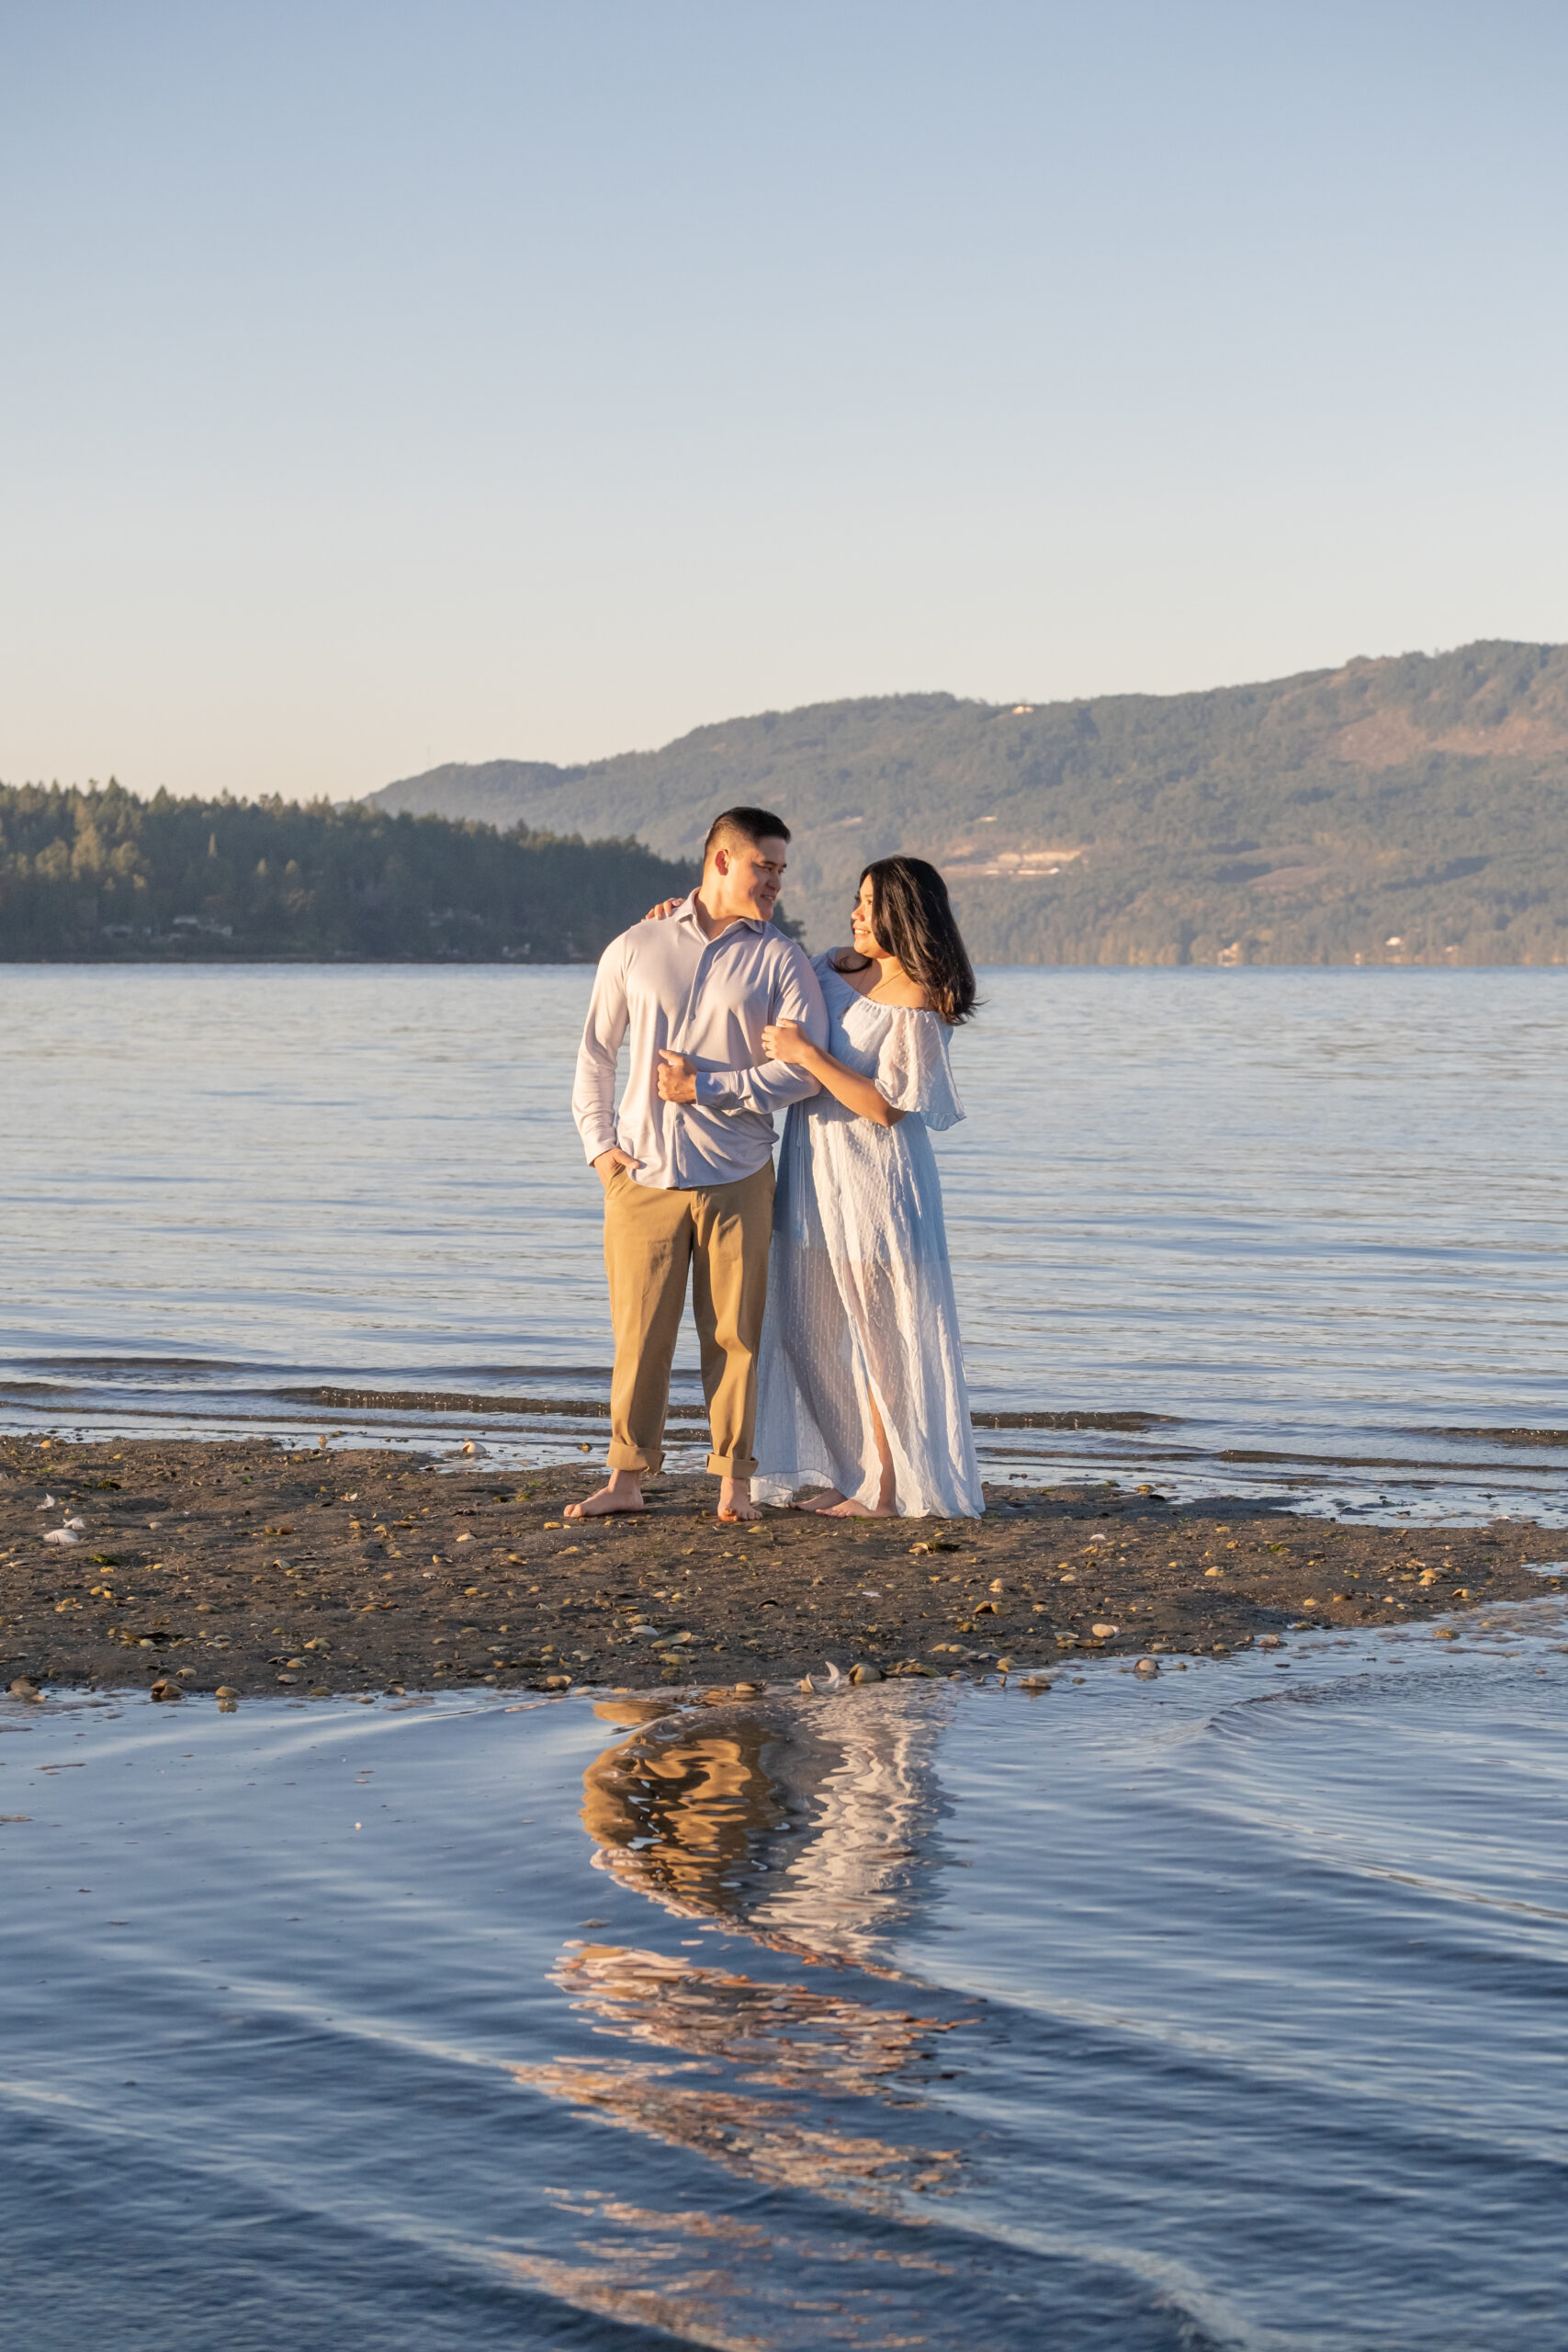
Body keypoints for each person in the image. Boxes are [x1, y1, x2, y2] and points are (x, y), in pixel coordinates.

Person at [568, 807, 828, 1522]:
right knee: (639, 1338)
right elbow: (595, 1054)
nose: (775, 882)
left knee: (736, 1339)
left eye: (780, 870)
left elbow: (804, 1072)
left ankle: (733, 1487)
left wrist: (706, 1087)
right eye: (763, 866)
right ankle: (625, 1481)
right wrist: (599, 1149)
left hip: (738, 1175)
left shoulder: (782, 959)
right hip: (640, 1176)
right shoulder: (636, 944)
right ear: (720, 861)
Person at [750, 855, 983, 1518]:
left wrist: (808, 1056)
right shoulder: (828, 967)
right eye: (856, 900)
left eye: (869, 904)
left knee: (882, 1340)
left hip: (878, 1180)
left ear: (902, 913)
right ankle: (852, 1469)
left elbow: (886, 1107)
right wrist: (678, 919)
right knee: (804, 1331)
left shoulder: (921, 999)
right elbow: (756, 968)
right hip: (813, 1171)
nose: (854, 913)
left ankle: (884, 1490)